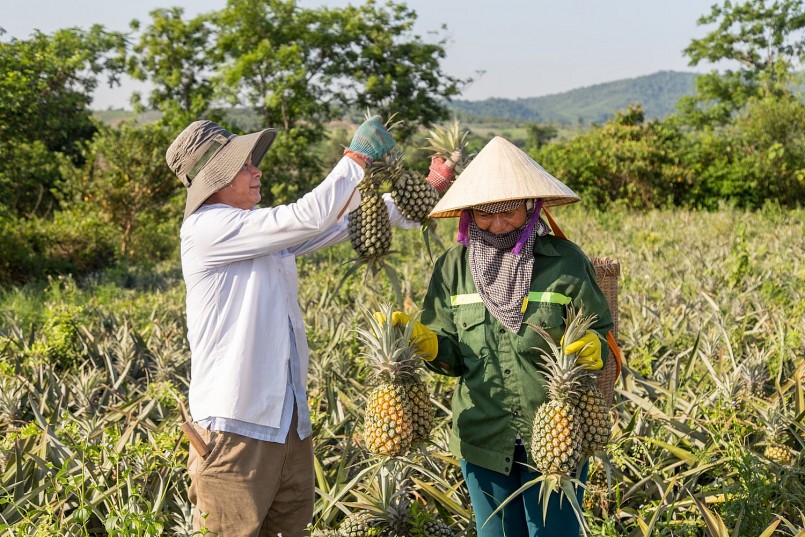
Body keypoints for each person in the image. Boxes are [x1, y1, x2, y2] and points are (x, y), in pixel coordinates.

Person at [165, 116, 445, 537]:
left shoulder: (256, 230)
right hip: (234, 431)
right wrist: (355, 159)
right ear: (215, 179)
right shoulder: (208, 229)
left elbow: (342, 221)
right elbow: (309, 216)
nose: (257, 171)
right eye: (244, 166)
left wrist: (424, 193)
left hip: (286, 425)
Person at [416, 136, 615, 537]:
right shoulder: (453, 268)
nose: (498, 225)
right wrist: (432, 345)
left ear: (531, 205)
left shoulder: (566, 261)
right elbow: (452, 358)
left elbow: (599, 329)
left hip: (561, 434)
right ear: (468, 215)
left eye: (508, 211)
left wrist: (594, 345)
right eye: (484, 215)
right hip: (484, 436)